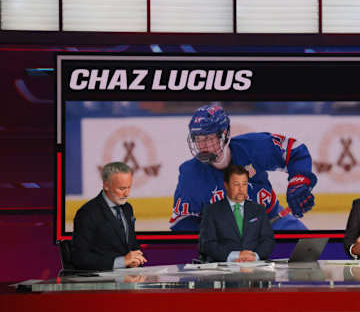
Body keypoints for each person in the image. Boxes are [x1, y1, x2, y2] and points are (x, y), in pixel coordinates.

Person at [170, 105, 317, 231]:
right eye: (198, 139)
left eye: (209, 138)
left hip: (272, 221)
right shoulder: (190, 174)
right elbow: (183, 223)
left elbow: (295, 151)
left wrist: (298, 183)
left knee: (310, 250)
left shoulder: (253, 148)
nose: (203, 146)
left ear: (225, 134)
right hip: (225, 240)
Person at [72, 162, 147, 270]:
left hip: (128, 278)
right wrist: (122, 262)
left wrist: (136, 259)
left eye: (129, 188)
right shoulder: (87, 213)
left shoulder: (127, 208)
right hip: (101, 283)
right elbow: (80, 258)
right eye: (121, 189)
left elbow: (131, 244)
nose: (127, 194)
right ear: (106, 185)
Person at [199, 164, 275, 262]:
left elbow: (268, 240)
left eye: (244, 184)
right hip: (223, 269)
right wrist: (235, 256)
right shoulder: (211, 210)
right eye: (236, 184)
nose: (241, 189)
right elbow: (207, 243)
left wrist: (255, 256)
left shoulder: (259, 210)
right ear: (226, 185)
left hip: (254, 267)